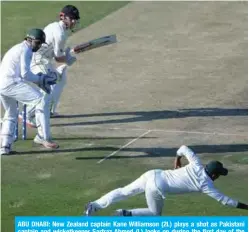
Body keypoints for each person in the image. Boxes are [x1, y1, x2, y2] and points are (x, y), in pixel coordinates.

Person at [85, 145, 248, 216]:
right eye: (219, 175)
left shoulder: (197, 163)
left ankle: (94, 206)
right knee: (155, 214)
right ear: (214, 175)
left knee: (124, 191)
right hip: (157, 186)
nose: (218, 177)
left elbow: (183, 148)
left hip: (153, 174)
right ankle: (124, 215)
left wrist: (177, 159)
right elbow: (226, 201)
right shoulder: (206, 185)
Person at [0, 28, 59, 155]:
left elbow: (23, 73)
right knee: (41, 100)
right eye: (37, 43)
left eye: (40, 44)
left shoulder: (18, 48)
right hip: (11, 83)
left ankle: (4, 146)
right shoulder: (25, 50)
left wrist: (39, 79)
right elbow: (25, 74)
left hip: (2, 84)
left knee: (11, 112)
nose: (38, 46)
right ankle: (43, 137)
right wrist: (40, 79)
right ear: (29, 39)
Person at [22, 5, 80, 128]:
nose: (74, 21)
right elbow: (58, 58)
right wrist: (68, 58)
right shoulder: (61, 34)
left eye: (76, 19)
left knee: (61, 79)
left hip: (44, 60)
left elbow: (55, 54)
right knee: (47, 89)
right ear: (63, 17)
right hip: (37, 61)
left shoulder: (56, 26)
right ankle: (26, 114)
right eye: (72, 18)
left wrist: (67, 55)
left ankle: (49, 111)